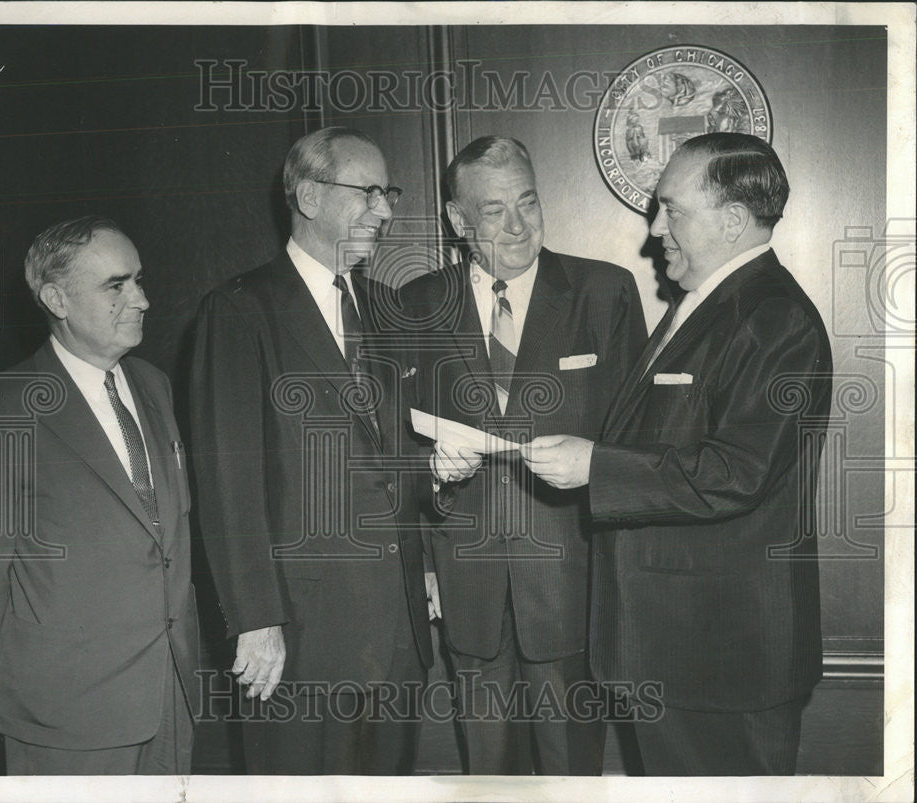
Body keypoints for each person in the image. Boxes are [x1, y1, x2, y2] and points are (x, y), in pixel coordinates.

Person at [522, 132, 832, 775]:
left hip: (721, 659)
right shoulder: (707, 303)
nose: (655, 229)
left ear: (734, 219)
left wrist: (594, 466)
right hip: (679, 652)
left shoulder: (774, 317)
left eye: (672, 210)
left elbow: (738, 473)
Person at [189, 126, 433, 775]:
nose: (385, 210)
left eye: (390, 194)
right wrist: (255, 617)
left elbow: (390, 457)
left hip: (398, 630)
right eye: (368, 192)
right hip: (299, 637)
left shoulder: (387, 308)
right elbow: (226, 480)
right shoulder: (241, 311)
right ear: (308, 195)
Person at [399, 136, 647, 774]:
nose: (517, 225)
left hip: (572, 586)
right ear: (458, 221)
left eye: (528, 203)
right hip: (468, 587)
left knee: (572, 774)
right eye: (493, 210)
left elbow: (635, 445)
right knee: (490, 775)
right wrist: (426, 539)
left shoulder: (604, 292)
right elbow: (398, 451)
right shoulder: (417, 306)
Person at [0, 216, 199, 774]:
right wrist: (47, 654)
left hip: (171, 692)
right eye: (117, 285)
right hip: (66, 709)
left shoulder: (153, 385)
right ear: (56, 299)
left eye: (139, 280)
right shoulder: (0, 408)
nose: (143, 300)